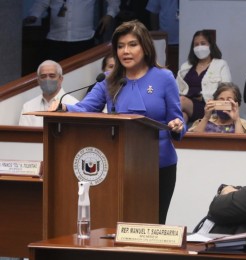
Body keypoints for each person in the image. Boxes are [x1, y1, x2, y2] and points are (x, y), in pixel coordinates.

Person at [48, 20, 185, 224]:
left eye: (132, 45)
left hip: (159, 165)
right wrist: (65, 107)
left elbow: (178, 119)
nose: (125, 51)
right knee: (123, 223)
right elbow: (85, 108)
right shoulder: (110, 79)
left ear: (145, 47)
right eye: (120, 46)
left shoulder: (164, 78)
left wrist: (177, 126)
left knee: (154, 225)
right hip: (122, 165)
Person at [23, 0, 120, 62]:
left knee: (80, 73)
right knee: (56, 72)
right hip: (56, 38)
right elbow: (42, 2)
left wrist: (110, 14)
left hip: (83, 38)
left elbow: (114, 2)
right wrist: (34, 15)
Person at [176, 30, 232, 123]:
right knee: (181, 117)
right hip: (187, 105)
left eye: (203, 43)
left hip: (208, 107)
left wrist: (202, 97)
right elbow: (174, 88)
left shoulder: (221, 65)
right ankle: (176, 135)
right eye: (196, 44)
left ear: (210, 45)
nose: (199, 47)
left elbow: (227, 93)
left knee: (181, 101)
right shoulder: (186, 66)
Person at [19, 60, 78, 127]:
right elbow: (24, 135)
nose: (47, 79)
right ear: (38, 81)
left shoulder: (73, 104)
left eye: (52, 76)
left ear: (60, 79)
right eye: (43, 76)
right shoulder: (28, 107)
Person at [146, 0, 179, 75]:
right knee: (163, 72)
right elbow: (153, 12)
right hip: (164, 41)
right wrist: (156, 33)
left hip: (186, 39)